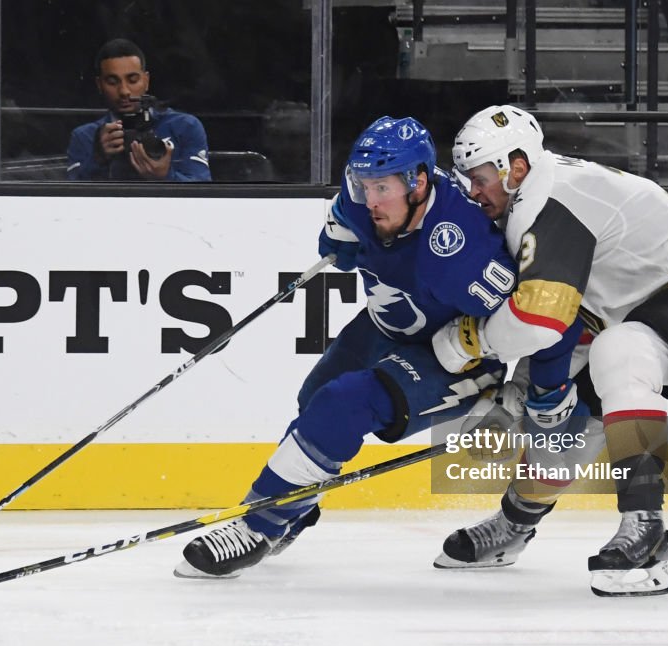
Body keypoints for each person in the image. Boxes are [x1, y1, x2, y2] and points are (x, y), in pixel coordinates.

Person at [174, 115, 584, 579]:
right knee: (315, 402)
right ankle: (294, 508)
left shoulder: (460, 248)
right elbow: (338, 231)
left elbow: (553, 322)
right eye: (363, 184)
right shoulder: (358, 203)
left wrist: (544, 388)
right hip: (384, 328)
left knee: (342, 403)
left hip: (452, 358)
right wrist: (339, 242)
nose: (370, 200)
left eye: (382, 188)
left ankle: (256, 524)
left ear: (419, 182)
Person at [434, 105, 668, 596]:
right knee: (565, 431)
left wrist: (469, 341)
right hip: (642, 315)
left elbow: (536, 320)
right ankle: (513, 526)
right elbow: (561, 319)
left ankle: (647, 530)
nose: (472, 191)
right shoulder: (527, 203)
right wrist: (524, 393)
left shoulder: (551, 202)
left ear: (517, 168)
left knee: (619, 352)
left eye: (480, 178)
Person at [67, 38, 210, 182]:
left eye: (133, 80)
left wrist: (165, 176)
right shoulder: (85, 137)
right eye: (112, 82)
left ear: (146, 80)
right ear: (99, 85)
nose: (124, 91)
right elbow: (68, 198)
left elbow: (204, 191)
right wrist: (97, 159)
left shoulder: (184, 127)